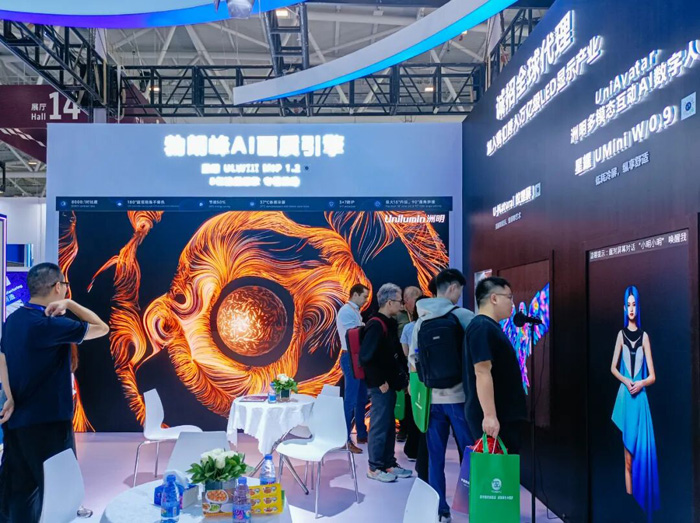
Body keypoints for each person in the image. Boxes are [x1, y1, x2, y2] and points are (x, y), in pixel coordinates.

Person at [0, 263, 109, 523]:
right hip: (49, 424)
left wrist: (10, 396)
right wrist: (70, 305)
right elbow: (101, 327)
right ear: (58, 287)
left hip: (17, 423)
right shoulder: (48, 325)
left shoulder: (13, 320)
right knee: (62, 495)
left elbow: (3, 358)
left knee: (20, 494)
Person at [410, 269, 474, 523]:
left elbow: (413, 361)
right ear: (452, 288)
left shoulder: (421, 321)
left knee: (435, 458)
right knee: (469, 453)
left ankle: (440, 510)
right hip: (459, 398)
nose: (459, 295)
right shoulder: (463, 316)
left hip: (432, 400)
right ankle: (473, 503)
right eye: (459, 290)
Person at [610, 285, 659, 517]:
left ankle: (641, 508)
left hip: (640, 401)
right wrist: (626, 380)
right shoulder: (620, 335)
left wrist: (640, 383)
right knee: (628, 459)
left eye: (634, 304)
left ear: (638, 307)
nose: (631, 308)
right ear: (624, 307)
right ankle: (630, 506)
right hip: (626, 401)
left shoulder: (645, 336)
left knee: (642, 456)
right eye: (628, 304)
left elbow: (653, 376)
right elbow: (612, 367)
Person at [463, 276, 526, 453]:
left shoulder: (489, 326)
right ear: (494, 298)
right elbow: (482, 371)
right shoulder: (482, 327)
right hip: (496, 416)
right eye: (509, 297)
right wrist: (490, 416)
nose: (512, 303)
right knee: (496, 467)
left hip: (503, 414)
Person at [360, 283, 411, 483]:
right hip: (380, 386)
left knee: (389, 425)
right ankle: (374, 467)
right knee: (379, 426)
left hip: (389, 384)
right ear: (389, 302)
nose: (402, 305)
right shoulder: (375, 325)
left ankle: (388, 463)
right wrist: (379, 380)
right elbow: (366, 357)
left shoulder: (386, 323)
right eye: (399, 301)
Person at [335, 283, 370, 454]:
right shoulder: (346, 311)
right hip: (350, 357)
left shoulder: (354, 311)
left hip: (357, 357)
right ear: (355, 294)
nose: (366, 300)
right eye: (364, 296)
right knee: (350, 399)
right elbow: (355, 336)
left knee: (361, 397)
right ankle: (345, 439)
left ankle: (362, 434)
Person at [399, 291, 424, 460]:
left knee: (414, 411)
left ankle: (412, 448)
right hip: (430, 377)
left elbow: (405, 352)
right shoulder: (430, 325)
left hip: (413, 375)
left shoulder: (408, 328)